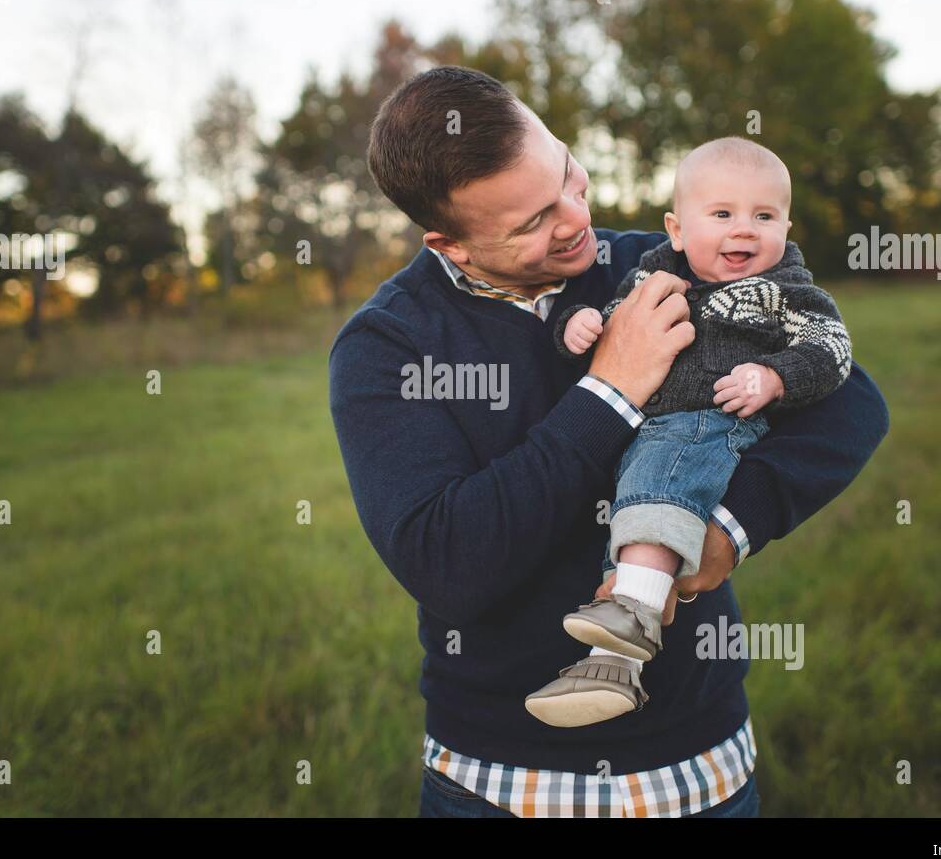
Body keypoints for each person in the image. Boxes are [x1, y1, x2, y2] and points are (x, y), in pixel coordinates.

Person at [328, 66, 889, 817]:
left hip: (698, 760)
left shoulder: (657, 265)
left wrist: (730, 526)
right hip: (498, 779)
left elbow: (852, 402)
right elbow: (448, 562)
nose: (574, 218)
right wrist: (609, 392)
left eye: (566, 172)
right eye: (532, 223)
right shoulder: (386, 345)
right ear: (452, 243)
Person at [525, 136, 852, 728]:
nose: (745, 231)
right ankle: (612, 667)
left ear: (786, 226)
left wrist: (774, 376)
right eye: (723, 214)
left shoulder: (785, 292)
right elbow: (616, 327)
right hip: (644, 432)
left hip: (710, 422)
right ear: (676, 229)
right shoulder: (651, 274)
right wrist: (579, 326)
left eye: (764, 216)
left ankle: (631, 615)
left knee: (661, 485)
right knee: (635, 520)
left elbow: (832, 350)